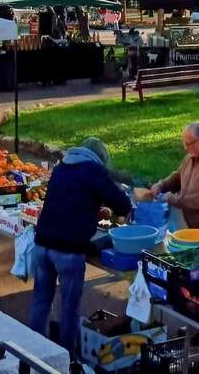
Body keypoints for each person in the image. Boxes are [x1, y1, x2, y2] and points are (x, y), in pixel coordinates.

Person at [30, 137, 131, 356]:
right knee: (69, 306)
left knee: (40, 300)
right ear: (100, 159)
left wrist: (94, 206)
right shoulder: (94, 171)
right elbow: (122, 205)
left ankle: (33, 352)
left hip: (42, 242)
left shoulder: (62, 166)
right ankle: (67, 357)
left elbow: (71, 198)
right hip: (68, 249)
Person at [150, 123, 199, 230]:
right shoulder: (190, 157)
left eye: (188, 144)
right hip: (193, 223)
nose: (185, 148)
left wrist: (174, 199)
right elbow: (178, 177)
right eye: (184, 143)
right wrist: (161, 185)